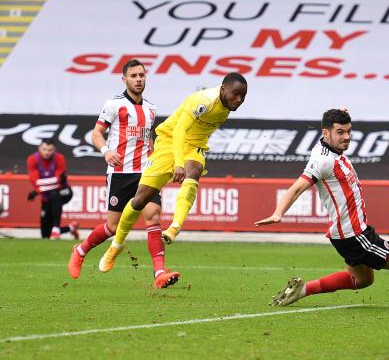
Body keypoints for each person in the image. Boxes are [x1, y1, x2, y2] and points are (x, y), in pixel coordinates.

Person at [255, 108, 389, 308]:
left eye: (348, 131)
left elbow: (333, 128)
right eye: (340, 132)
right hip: (354, 235)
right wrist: (278, 213)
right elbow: (296, 189)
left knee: (363, 280)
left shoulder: (327, 147)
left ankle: (303, 290)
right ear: (326, 133)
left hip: (346, 234)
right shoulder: (323, 161)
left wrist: (340, 112)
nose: (346, 137)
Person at [99, 72, 248, 272]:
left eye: (242, 97)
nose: (238, 100)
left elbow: (196, 134)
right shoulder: (203, 101)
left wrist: (187, 160)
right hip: (169, 141)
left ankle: (174, 228)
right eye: (236, 94)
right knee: (139, 200)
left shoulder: (226, 106)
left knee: (194, 171)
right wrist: (178, 164)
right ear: (223, 89)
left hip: (194, 146)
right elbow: (179, 131)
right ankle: (115, 246)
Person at [67, 59, 180, 288]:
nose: (139, 79)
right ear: (124, 79)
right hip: (120, 173)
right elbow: (96, 133)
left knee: (154, 216)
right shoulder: (114, 105)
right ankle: (80, 250)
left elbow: (150, 139)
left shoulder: (151, 109)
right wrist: (106, 151)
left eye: (142, 75)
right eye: (134, 76)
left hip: (146, 173)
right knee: (113, 227)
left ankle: (159, 273)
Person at [26, 139, 79, 240]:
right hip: (46, 195)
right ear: (39, 149)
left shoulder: (59, 158)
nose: (47, 152)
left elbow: (58, 182)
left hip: (65, 191)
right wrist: (52, 182)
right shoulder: (32, 159)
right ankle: (71, 228)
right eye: (44, 149)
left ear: (54, 150)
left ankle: (55, 229)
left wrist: (38, 190)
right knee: (45, 234)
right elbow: (36, 181)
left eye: (50, 150)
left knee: (55, 194)